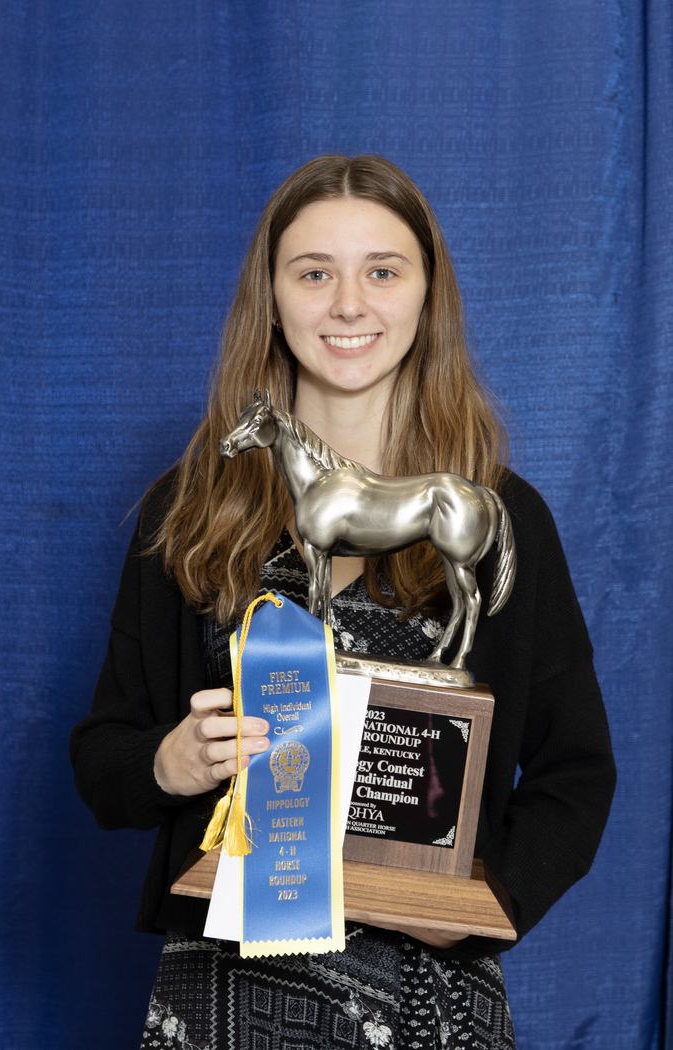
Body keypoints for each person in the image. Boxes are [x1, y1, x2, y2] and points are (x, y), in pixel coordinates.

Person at [70, 154, 616, 1050]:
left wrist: (489, 903)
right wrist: (169, 762)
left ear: (425, 296)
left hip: (430, 998)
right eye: (315, 272)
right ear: (273, 299)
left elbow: (577, 773)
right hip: (229, 999)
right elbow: (104, 757)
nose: (349, 304)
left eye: (383, 271)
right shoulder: (187, 509)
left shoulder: (504, 513)